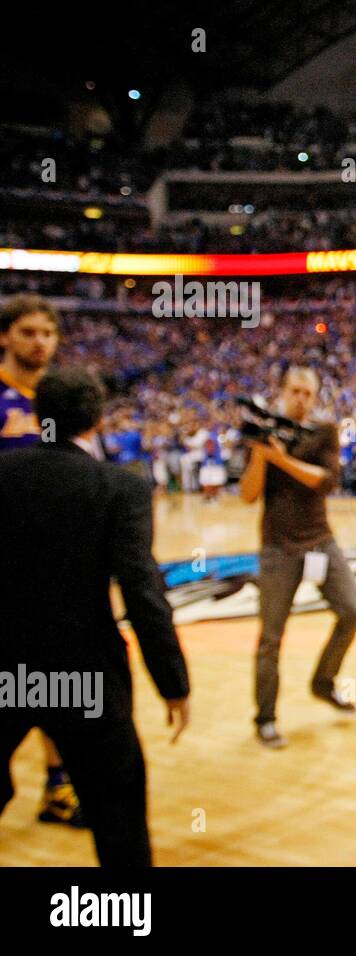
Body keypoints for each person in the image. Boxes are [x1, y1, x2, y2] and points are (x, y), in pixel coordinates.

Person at [0, 367, 190, 866]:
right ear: (98, 418)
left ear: (38, 414)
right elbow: (142, 592)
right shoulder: (118, 487)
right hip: (85, 675)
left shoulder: (4, 474)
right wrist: (172, 682)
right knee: (118, 821)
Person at [238, 366, 356, 748]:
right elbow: (247, 494)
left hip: (320, 540)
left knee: (352, 611)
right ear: (282, 391)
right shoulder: (264, 433)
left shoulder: (323, 432)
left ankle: (323, 682)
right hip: (278, 546)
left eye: (307, 393)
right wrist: (261, 454)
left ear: (315, 396)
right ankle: (266, 717)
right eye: (295, 391)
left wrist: (281, 460)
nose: (301, 399)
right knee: (271, 639)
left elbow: (325, 481)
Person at [0, 293, 86, 828]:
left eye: (48, 333)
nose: (40, 342)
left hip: (56, 568)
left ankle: (57, 788)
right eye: (29, 332)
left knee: (57, 680)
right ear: (5, 337)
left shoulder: (60, 401)